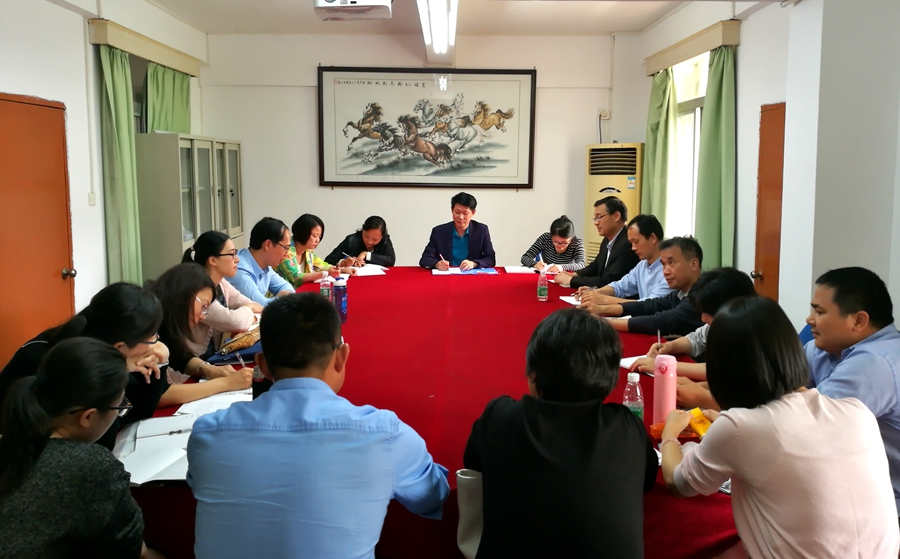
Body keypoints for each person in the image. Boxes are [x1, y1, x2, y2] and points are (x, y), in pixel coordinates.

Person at [187, 293, 450, 558]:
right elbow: (433, 494)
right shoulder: (384, 435)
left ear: (262, 366)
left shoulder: (208, 434)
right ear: (341, 357)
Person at [661, 296, 899, 558]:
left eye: (820, 311)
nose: (811, 319)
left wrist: (670, 432)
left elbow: (678, 484)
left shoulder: (739, 428)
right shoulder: (856, 411)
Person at [464, 308, 657, 558]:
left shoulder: (499, 418)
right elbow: (647, 481)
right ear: (610, 379)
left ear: (533, 374)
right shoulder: (628, 428)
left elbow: (473, 463)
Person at [0, 338, 162, 558]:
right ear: (88, 417)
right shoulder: (90, 465)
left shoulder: (12, 440)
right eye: (119, 406)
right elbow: (133, 551)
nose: (119, 413)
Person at [804, 267, 900, 515]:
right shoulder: (822, 347)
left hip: (887, 506)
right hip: (852, 486)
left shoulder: (875, 363)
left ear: (858, 321)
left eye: (820, 312)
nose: (809, 320)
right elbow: (779, 388)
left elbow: (802, 424)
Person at [147, 263, 252, 391]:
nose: (203, 316)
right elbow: (160, 395)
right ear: (184, 293)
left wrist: (209, 369)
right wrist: (226, 384)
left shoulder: (167, 322)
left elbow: (179, 357)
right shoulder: (147, 321)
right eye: (203, 306)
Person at [580, 236, 704, 336]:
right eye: (663, 264)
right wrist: (601, 309)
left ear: (693, 264)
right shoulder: (680, 293)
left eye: (671, 263)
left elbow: (661, 322)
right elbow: (648, 306)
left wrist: (603, 322)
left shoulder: (702, 296)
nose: (665, 271)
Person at [182, 231, 263, 355]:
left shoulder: (221, 282)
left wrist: (249, 309)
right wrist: (248, 309)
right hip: (191, 363)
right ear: (213, 260)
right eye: (232, 254)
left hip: (212, 357)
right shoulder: (198, 291)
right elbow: (234, 322)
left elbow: (250, 304)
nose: (237, 259)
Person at [576, 214, 669, 304]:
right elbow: (620, 286)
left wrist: (604, 299)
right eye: (631, 243)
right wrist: (596, 292)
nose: (633, 248)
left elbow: (651, 304)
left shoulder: (670, 270)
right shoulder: (642, 265)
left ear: (652, 238)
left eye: (636, 242)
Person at [554, 196, 639, 288]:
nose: (596, 223)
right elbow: (595, 266)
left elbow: (609, 281)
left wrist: (570, 280)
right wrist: (573, 275)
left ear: (616, 216)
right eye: (595, 218)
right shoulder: (607, 239)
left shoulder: (628, 243)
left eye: (599, 217)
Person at [419, 192, 495, 271]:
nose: (461, 217)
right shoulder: (439, 232)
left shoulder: (481, 230)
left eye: (465, 213)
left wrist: (474, 263)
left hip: (470, 275)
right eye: (457, 212)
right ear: (452, 210)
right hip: (447, 275)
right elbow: (425, 259)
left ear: (473, 213)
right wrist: (437, 264)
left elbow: (491, 258)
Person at [230, 217, 295, 306]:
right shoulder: (238, 269)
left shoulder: (265, 265)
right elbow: (260, 305)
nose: (287, 254)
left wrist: (286, 295)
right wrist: (282, 298)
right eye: (286, 248)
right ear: (268, 245)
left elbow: (286, 286)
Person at [277, 214, 356, 287]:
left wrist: (342, 270)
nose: (317, 240)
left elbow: (322, 266)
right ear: (302, 233)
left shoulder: (308, 251)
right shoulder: (286, 250)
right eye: (314, 236)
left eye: (319, 237)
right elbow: (296, 277)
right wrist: (326, 273)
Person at [519, 215, 586, 272]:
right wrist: (534, 264)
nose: (560, 246)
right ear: (551, 237)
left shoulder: (577, 242)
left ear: (571, 238)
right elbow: (525, 257)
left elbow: (581, 265)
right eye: (556, 242)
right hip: (548, 274)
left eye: (564, 243)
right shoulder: (546, 238)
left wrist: (562, 267)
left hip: (566, 277)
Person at [324, 215, 396, 268]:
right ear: (362, 230)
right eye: (366, 236)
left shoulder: (385, 240)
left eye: (375, 240)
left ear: (382, 237)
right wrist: (343, 262)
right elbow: (329, 259)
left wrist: (366, 254)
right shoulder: (351, 240)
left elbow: (391, 260)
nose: (369, 242)